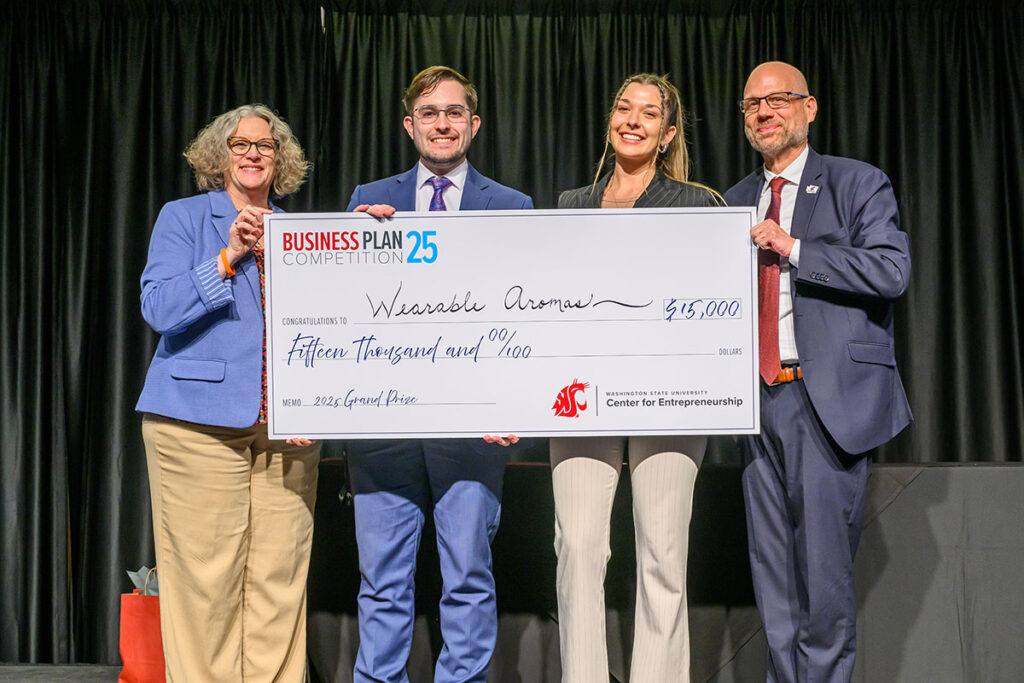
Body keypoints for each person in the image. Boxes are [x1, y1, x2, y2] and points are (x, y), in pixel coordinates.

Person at [343, 65, 533, 683]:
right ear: (409, 125)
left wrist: (514, 405)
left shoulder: (512, 208)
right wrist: (353, 246)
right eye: (429, 113)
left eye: (454, 113)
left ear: (474, 125)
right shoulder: (369, 203)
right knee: (383, 581)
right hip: (383, 424)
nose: (442, 123)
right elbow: (339, 308)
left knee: (469, 576)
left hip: (471, 427)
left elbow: (527, 315)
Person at [724, 61, 912, 682]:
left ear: (810, 108)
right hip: (753, 405)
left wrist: (795, 248)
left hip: (824, 401)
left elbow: (891, 272)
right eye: (752, 104)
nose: (764, 111)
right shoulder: (731, 202)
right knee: (773, 576)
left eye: (779, 99)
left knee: (824, 580)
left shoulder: (857, 183)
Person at [136, 104, 319, 681]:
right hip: (196, 427)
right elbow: (159, 308)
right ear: (218, 157)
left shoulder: (300, 231)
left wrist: (363, 238)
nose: (253, 154)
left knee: (278, 584)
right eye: (240, 144)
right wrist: (227, 257)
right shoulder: (186, 218)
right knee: (206, 589)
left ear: (281, 160)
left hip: (286, 432)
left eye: (266, 146)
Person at [550, 73, 721, 683]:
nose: (633, 119)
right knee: (578, 551)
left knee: (663, 554)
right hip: (580, 400)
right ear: (610, 119)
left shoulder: (698, 204)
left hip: (668, 401)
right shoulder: (571, 205)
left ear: (668, 132)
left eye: (649, 113)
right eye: (624, 107)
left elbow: (715, 306)